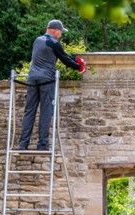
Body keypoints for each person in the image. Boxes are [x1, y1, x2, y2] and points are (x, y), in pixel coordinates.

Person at [18, 19, 86, 151]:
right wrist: (80, 67)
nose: (61, 35)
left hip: (32, 79)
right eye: (61, 32)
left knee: (29, 111)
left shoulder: (37, 40)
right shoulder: (54, 42)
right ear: (55, 30)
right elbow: (64, 59)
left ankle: (23, 144)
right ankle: (42, 144)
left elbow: (62, 54)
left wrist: (74, 58)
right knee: (46, 111)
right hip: (46, 80)